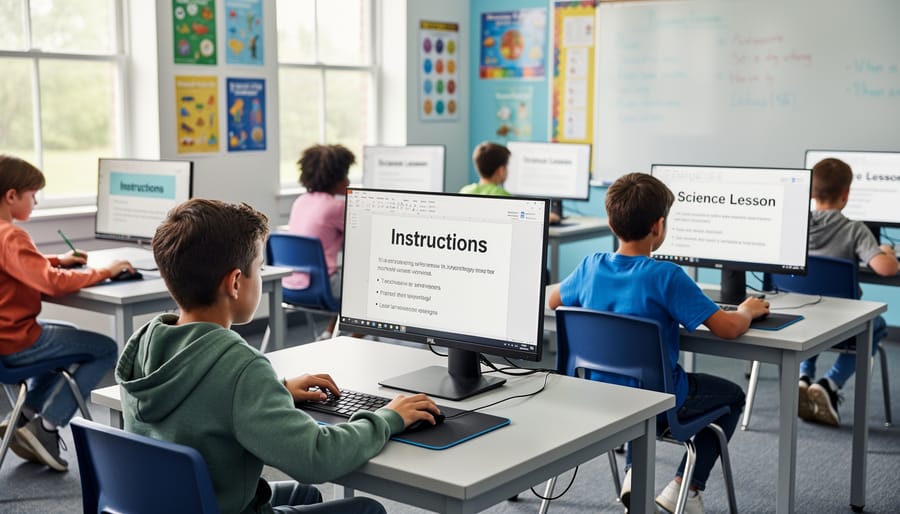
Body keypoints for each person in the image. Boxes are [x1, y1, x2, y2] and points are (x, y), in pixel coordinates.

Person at [116, 198, 441, 514]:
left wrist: (276, 389)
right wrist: (389, 417)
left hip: (177, 503)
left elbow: (205, 401)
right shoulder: (240, 368)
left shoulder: (144, 341)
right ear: (235, 283)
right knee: (366, 508)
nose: (261, 274)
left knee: (304, 495)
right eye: (259, 268)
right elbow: (317, 457)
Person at [547, 172, 768, 514]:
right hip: (657, 406)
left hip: (592, 400)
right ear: (659, 226)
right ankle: (685, 488)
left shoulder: (591, 266)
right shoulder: (667, 276)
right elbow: (726, 329)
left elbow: (553, 302)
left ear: (610, 221)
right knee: (732, 396)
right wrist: (746, 310)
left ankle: (636, 473)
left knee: (638, 385)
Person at [0, 154, 134, 472]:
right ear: (11, 196)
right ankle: (47, 426)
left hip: (6, 336)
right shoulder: (12, 235)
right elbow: (51, 284)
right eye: (33, 196)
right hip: (16, 340)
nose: (34, 203)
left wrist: (59, 260)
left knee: (68, 333)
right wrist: (107, 271)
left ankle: (27, 415)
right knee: (105, 348)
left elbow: (22, 265)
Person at [797, 158, 898, 426]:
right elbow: (885, 269)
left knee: (813, 313)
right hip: (841, 322)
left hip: (798, 318)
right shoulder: (854, 229)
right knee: (876, 325)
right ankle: (830, 383)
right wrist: (886, 252)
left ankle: (804, 376)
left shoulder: (796, 225)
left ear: (810, 193)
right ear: (846, 195)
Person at [286, 144, 355, 340]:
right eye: (345, 174)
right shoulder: (335, 207)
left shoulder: (300, 201)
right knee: (368, 290)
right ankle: (349, 340)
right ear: (336, 178)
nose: (348, 179)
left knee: (348, 281)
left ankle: (328, 333)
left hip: (290, 285)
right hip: (321, 287)